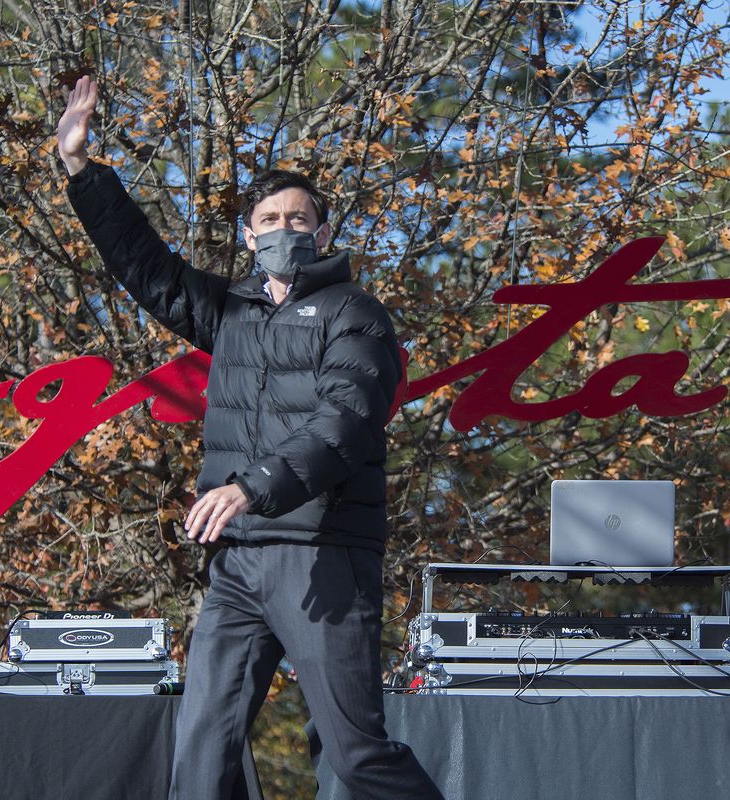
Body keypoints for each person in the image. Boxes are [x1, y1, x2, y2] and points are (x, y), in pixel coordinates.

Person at [56, 76, 443, 800]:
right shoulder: (229, 311)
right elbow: (145, 266)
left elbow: (345, 425)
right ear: (248, 234)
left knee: (355, 754)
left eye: (299, 220)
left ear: (324, 234)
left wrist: (249, 487)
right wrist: (81, 169)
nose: (283, 231)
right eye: (268, 219)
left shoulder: (354, 314)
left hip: (320, 555)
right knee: (200, 760)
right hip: (237, 566)